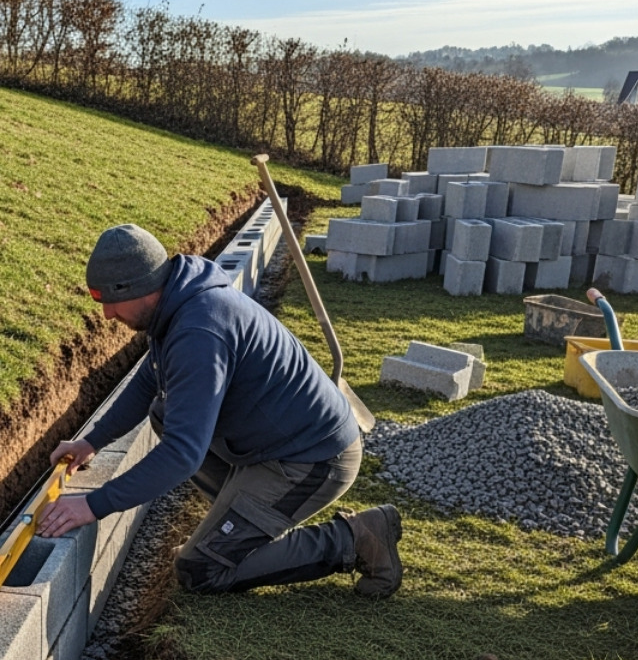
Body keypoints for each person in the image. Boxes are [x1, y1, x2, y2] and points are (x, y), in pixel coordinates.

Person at [36, 223, 404, 597]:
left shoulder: (199, 331)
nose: (107, 315)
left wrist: (94, 505)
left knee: (201, 569)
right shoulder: (178, 303)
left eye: (108, 300)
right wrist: (93, 442)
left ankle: (358, 537)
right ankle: (236, 531)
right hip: (274, 445)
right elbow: (151, 378)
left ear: (138, 287)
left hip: (314, 459)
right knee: (165, 412)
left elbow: (183, 454)